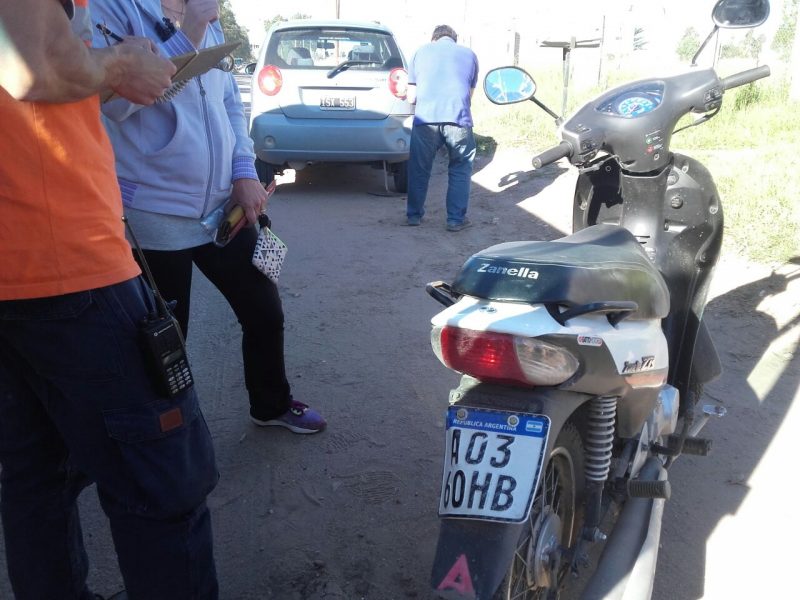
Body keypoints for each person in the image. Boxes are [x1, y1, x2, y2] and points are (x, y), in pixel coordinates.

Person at [0, 1, 220, 598]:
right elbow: (31, 67)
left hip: (26, 268)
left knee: (35, 477)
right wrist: (121, 62)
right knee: (165, 482)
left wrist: (108, 69)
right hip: (64, 262)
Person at [90, 0, 326, 434]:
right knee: (167, 339)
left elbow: (230, 102)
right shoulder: (113, 9)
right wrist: (190, 34)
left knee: (264, 311)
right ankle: (171, 435)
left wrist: (244, 172)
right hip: (154, 211)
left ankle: (270, 405)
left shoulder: (204, 15)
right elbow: (118, 105)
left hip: (223, 209)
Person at [406, 24, 479, 232]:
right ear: (454, 39)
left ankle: (414, 216)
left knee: (419, 168)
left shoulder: (420, 52)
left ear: (433, 39)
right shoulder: (469, 55)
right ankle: (455, 220)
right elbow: (469, 97)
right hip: (458, 118)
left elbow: (411, 97)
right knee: (460, 167)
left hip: (426, 120)